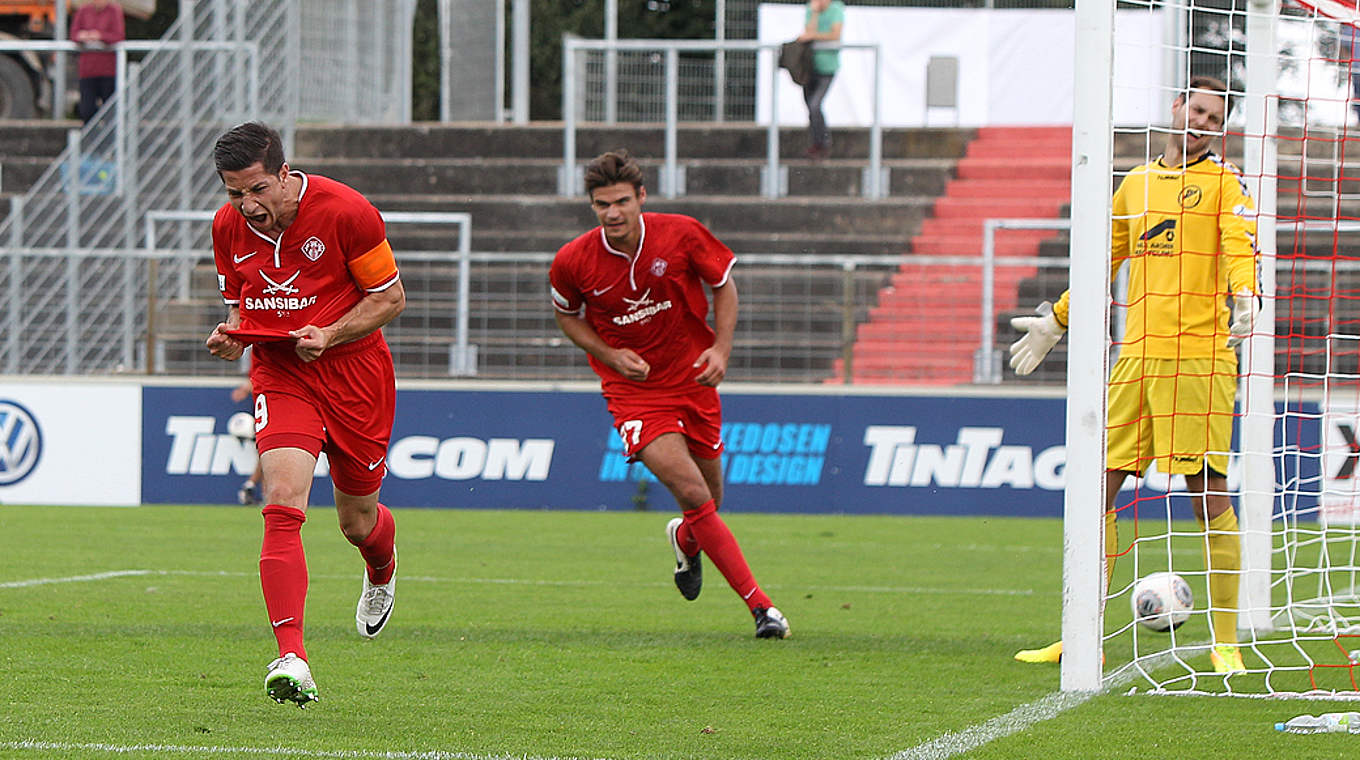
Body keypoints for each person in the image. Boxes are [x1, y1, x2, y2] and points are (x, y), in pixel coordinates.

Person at [1008, 76, 1258, 675]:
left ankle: (1226, 644)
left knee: (1208, 495)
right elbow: (1104, 257)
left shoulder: (1225, 183)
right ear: (1175, 108)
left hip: (1199, 359)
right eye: (1195, 108)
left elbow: (1237, 244)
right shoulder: (1136, 183)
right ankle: (1078, 636)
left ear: (1220, 130)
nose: (1200, 121)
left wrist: (1244, 293)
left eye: (1213, 117)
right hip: (1135, 360)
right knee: (1100, 492)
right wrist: (1059, 319)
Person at [549, 149, 790, 639]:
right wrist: (610, 355)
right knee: (693, 492)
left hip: (693, 379)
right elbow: (566, 316)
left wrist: (721, 349)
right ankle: (763, 609)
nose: (612, 213)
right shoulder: (573, 261)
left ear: (641, 197)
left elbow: (724, 285)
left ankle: (685, 536)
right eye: (601, 205)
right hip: (634, 392)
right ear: (592, 207)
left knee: (710, 500)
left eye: (620, 201)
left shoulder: (680, 233)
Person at [204, 122, 405, 706]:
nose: (248, 205)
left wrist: (334, 332)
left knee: (356, 522)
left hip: (356, 375)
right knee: (282, 502)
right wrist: (231, 337)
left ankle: (381, 568)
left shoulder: (347, 212)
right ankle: (292, 655)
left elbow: (390, 298)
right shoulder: (227, 227)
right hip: (282, 372)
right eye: (234, 193)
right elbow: (243, 305)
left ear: (285, 175)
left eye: (258, 189)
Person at [797, 0, 844, 159]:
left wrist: (814, 35)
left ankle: (823, 143)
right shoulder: (812, 9)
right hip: (810, 67)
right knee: (810, 107)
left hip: (827, 68)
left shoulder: (836, 8)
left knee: (814, 105)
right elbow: (807, 32)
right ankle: (817, 143)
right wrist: (815, 14)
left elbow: (835, 34)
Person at [70, 0, 125, 123]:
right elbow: (73, 34)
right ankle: (90, 139)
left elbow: (119, 36)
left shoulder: (114, 11)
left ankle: (111, 140)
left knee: (110, 111)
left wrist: (100, 36)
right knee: (86, 110)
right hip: (87, 71)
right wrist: (81, 36)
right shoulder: (83, 10)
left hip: (108, 71)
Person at [230, 376, 264, 505]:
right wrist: (245, 389)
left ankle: (254, 488)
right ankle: (252, 487)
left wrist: (244, 389)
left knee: (266, 459)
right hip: (265, 417)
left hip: (265, 416)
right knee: (266, 457)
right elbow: (258, 377)